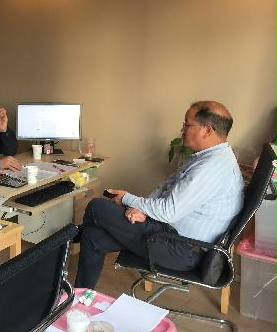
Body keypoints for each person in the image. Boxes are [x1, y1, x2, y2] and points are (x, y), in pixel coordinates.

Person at [74, 101, 244, 289]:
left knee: (97, 207)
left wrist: (127, 199)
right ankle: (81, 295)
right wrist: (143, 210)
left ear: (207, 131)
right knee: (92, 236)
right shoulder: (208, 157)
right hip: (169, 234)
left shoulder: (211, 168)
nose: (182, 129)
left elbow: (169, 211)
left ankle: (73, 234)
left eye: (187, 124)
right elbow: (167, 186)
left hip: (181, 248)